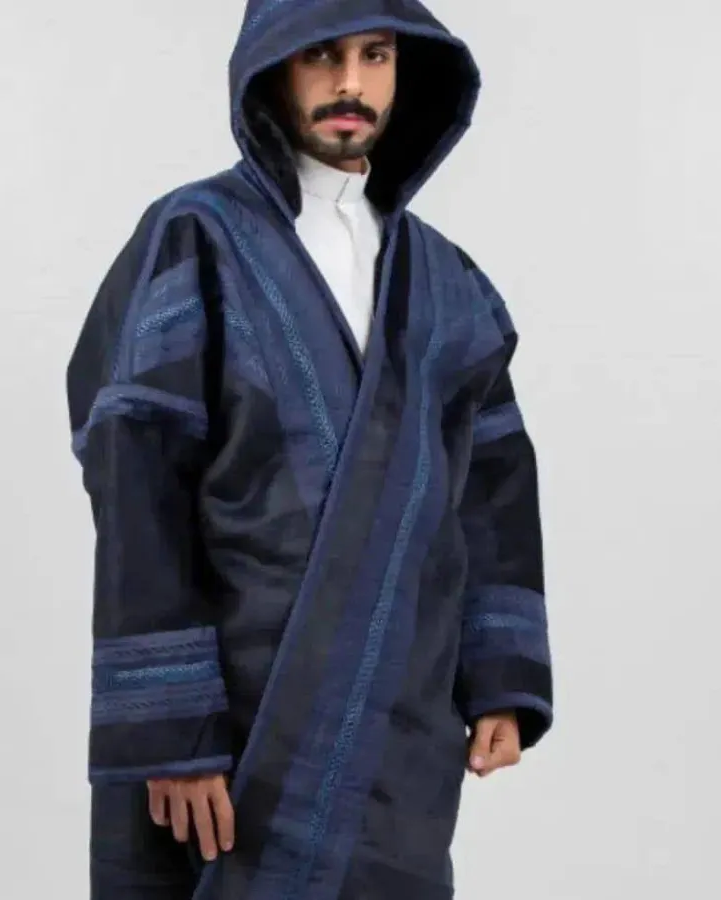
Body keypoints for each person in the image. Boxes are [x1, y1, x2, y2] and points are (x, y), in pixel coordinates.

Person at [66, 0, 553, 897]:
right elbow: (136, 477)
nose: (351, 83)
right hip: (236, 719)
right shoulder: (195, 237)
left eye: (376, 55)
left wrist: (499, 676)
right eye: (321, 56)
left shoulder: (447, 282)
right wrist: (172, 725)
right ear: (271, 68)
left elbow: (494, 480)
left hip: (399, 716)